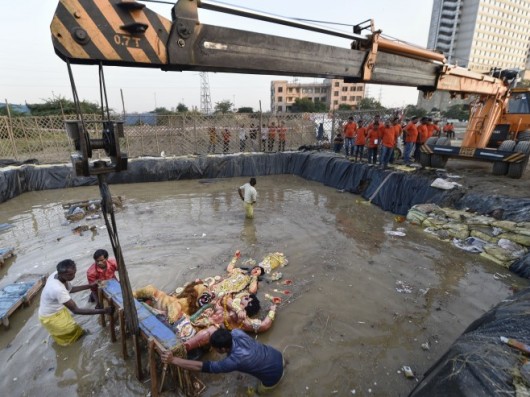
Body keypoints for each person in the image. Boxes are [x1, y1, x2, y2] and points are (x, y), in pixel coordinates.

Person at [161, 328, 284, 393]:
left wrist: (173, 360)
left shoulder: (232, 362)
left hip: (274, 376)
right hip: (278, 356)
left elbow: (202, 366)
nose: (214, 350)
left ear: (223, 348)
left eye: (215, 349)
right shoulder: (237, 332)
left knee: (256, 392)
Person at [39, 259, 113, 346]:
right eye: (70, 275)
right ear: (61, 274)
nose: (73, 276)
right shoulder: (57, 289)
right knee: (70, 337)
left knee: (75, 332)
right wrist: (104, 311)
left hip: (57, 310)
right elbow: (76, 310)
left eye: (74, 272)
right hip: (51, 317)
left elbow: (71, 289)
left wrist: (90, 285)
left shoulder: (57, 275)